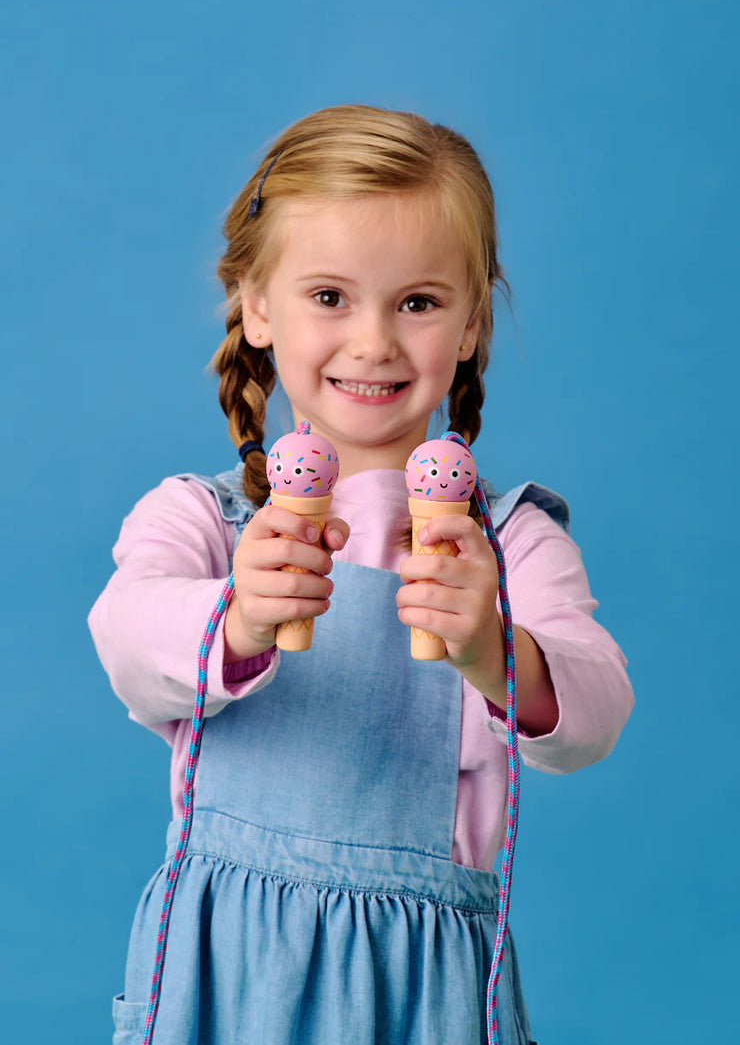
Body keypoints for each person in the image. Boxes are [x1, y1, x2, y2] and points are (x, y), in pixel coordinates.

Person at [89, 103, 633, 1045]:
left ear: (470, 323)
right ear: (255, 305)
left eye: (417, 302)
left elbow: (592, 716)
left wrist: (497, 649)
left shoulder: (508, 544)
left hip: (422, 985)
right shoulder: (208, 522)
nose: (375, 341)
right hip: (227, 969)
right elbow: (127, 638)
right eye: (329, 296)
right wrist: (238, 616)